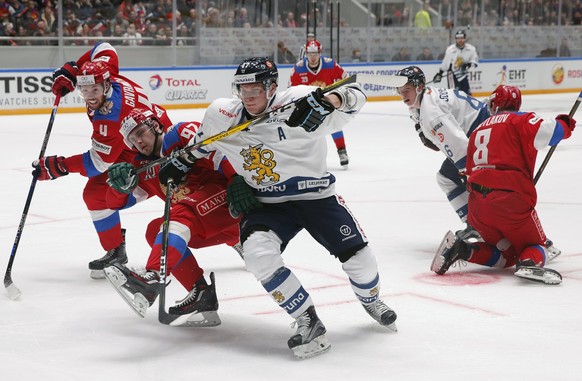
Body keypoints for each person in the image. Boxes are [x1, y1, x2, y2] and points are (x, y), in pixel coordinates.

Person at [160, 57, 397, 359]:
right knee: (258, 255)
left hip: (316, 197)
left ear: (272, 87)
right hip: (267, 204)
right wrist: (181, 160)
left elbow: (355, 96)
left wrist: (331, 99)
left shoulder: (299, 101)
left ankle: (371, 300)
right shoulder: (222, 114)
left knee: (360, 258)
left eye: (255, 88)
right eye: (242, 89)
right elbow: (202, 143)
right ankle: (307, 319)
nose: (247, 96)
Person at [35, 42, 172, 279]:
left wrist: (58, 166)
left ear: (106, 85)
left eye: (95, 91)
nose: (89, 97)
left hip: (149, 153)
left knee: (107, 195)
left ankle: (228, 234)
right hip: (138, 138)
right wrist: (73, 68)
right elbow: (105, 48)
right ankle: (115, 250)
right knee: (94, 194)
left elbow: (97, 163)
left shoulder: (110, 117)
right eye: (84, 91)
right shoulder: (108, 71)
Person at [396, 66, 562, 259]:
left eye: (406, 90)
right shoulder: (423, 100)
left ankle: (484, 227)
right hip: (481, 128)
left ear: (419, 87)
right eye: (400, 92)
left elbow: (460, 148)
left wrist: (473, 176)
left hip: (481, 132)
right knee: (455, 179)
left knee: (461, 182)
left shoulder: (431, 112)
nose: (403, 95)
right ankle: (484, 226)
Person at [102, 108, 243, 322]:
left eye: (140, 133)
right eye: (132, 139)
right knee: (155, 230)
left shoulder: (182, 134)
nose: (138, 141)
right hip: (209, 223)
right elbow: (116, 204)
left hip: (233, 203)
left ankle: (153, 278)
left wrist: (237, 181)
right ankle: (201, 294)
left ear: (155, 125)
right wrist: (118, 188)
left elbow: (222, 153)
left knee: (180, 214)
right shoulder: (141, 167)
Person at [431, 85, 576, 285]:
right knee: (539, 246)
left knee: (505, 255)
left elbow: (468, 171)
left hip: (479, 209)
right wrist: (565, 122)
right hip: (511, 204)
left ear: (495, 103)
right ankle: (528, 262)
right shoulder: (521, 120)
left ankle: (464, 250)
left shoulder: (477, 130)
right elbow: (554, 132)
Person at [289, 40, 351, 168]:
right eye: (310, 54)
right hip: (309, 105)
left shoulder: (330, 64)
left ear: (320, 52)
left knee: (335, 125)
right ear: (306, 53)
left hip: (328, 101)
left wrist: (341, 93)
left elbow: (346, 78)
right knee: (307, 130)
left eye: (315, 54)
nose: (313, 57)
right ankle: (307, 158)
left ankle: (342, 151)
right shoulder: (299, 68)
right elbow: (291, 89)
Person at [433, 29, 478, 95]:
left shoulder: (471, 49)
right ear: (456, 39)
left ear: (465, 38)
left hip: (463, 74)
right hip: (452, 75)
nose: (460, 40)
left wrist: (468, 64)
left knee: (467, 95)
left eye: (462, 38)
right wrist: (440, 73)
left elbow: (475, 61)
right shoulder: (450, 49)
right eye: (458, 38)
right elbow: (445, 63)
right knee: (454, 95)